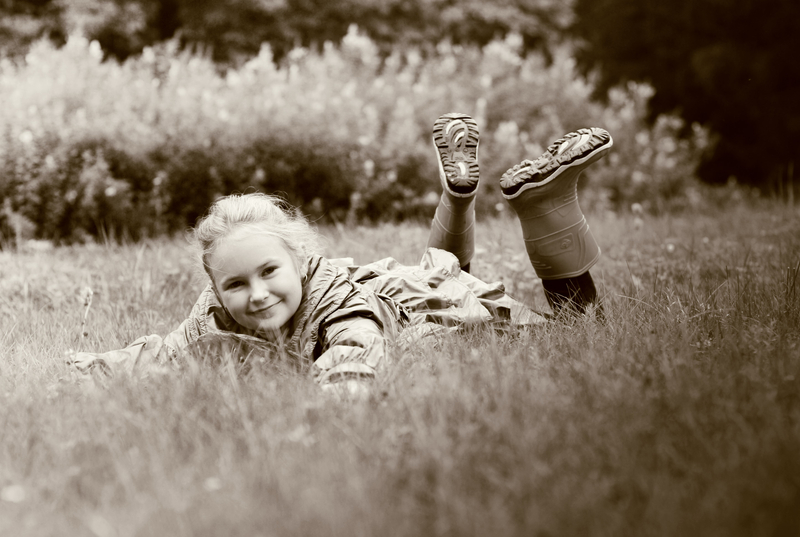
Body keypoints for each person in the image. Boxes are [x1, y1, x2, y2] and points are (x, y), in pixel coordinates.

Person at [69, 113, 612, 396]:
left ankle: (546, 204)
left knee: (580, 333)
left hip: (422, 317)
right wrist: (84, 370)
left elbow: (356, 344)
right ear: (213, 286)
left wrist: (344, 392)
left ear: (302, 259)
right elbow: (162, 354)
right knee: (443, 274)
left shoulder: (336, 304)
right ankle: (458, 197)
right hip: (408, 292)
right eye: (235, 284)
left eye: (269, 272)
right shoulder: (211, 314)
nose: (256, 294)